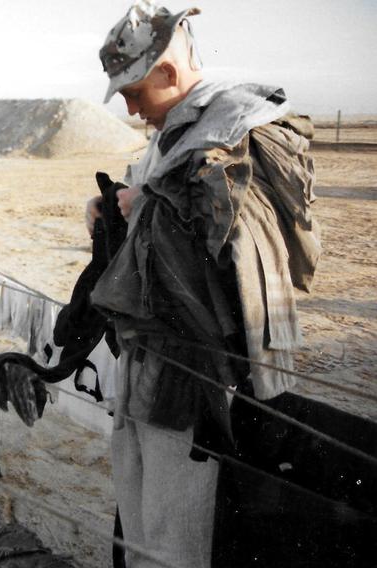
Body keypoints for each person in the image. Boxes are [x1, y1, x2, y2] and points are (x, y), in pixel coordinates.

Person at [85, 2, 321, 567]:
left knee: (177, 523)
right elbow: (165, 207)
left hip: (197, 369)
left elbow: (243, 244)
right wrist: (116, 204)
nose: (132, 109)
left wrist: (151, 204)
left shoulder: (240, 124)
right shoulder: (180, 128)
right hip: (147, 354)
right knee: (140, 508)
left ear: (167, 72)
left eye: (135, 92)